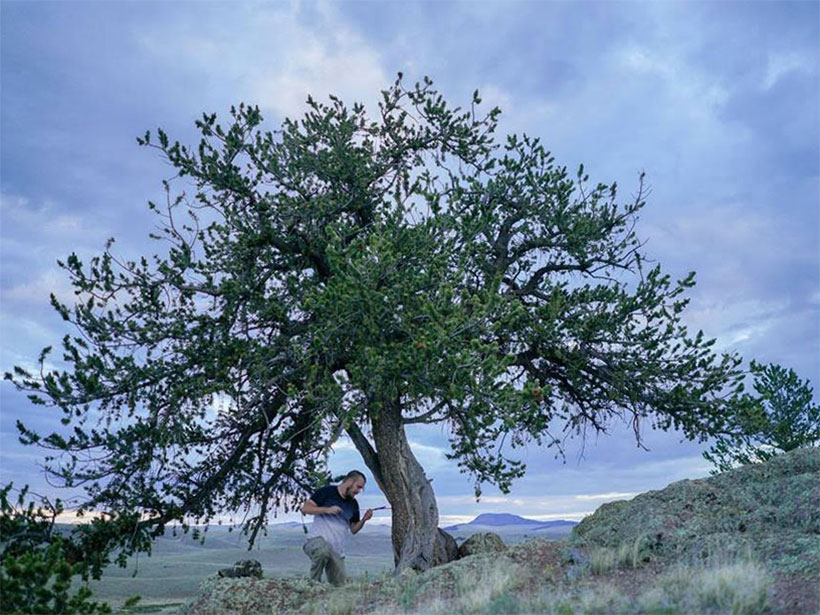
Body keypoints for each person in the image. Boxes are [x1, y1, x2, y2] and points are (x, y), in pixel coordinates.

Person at [300, 470, 373, 585]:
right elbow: (306, 508)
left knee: (340, 586)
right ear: (350, 481)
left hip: (337, 550)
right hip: (316, 541)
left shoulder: (353, 504)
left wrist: (364, 519)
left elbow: (354, 529)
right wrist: (327, 510)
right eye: (358, 487)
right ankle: (312, 586)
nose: (359, 491)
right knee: (322, 551)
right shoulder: (326, 492)